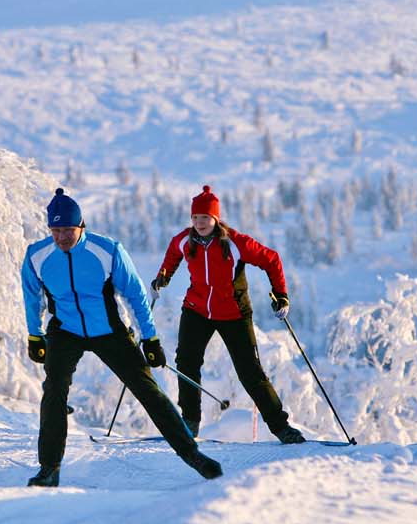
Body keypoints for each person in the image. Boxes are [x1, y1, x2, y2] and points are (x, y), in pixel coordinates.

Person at [21, 188, 223, 487]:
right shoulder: (38, 255)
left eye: (68, 230)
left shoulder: (107, 251)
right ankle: (49, 468)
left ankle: (192, 454)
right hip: (65, 329)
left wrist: (150, 338)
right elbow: (32, 295)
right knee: (54, 391)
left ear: (81, 225)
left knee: (147, 389)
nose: (62, 237)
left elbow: (135, 295)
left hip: (108, 330)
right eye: (56, 230)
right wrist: (35, 334)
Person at [152, 185, 306, 444]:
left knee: (250, 372)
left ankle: (281, 427)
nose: (200, 223)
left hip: (234, 313)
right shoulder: (183, 240)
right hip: (197, 310)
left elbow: (271, 259)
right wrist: (163, 276)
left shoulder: (236, 243)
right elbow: (172, 256)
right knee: (187, 363)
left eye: (205, 218)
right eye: (195, 218)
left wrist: (281, 294)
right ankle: (190, 422)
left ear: (215, 218)